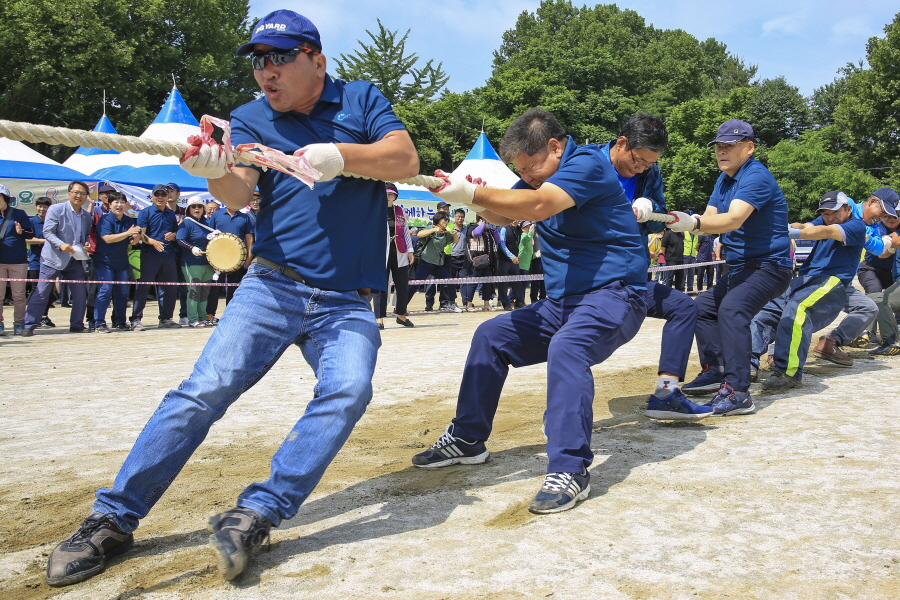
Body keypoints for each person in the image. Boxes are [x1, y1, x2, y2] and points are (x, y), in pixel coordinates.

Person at [46, 9, 419, 586]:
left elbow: (405, 158)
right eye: (257, 61)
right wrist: (209, 169)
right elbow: (237, 190)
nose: (264, 72)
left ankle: (258, 512)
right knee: (201, 393)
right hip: (271, 285)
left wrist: (339, 156)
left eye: (279, 58)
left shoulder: (361, 99)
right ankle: (111, 519)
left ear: (316, 61)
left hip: (346, 299)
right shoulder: (247, 118)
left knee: (349, 390)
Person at [412, 108, 648, 514]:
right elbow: (509, 213)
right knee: (490, 336)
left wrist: (469, 194)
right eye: (521, 170)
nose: (529, 175)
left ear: (555, 147)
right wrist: (460, 196)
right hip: (562, 303)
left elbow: (537, 207)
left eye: (530, 166)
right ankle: (468, 437)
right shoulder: (543, 175)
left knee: (568, 348)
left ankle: (570, 468)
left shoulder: (586, 163)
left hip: (615, 295)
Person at [674, 119, 793, 415]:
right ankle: (716, 370)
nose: (721, 151)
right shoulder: (724, 179)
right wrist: (676, 219)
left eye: (730, 146)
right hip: (743, 268)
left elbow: (733, 219)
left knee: (732, 309)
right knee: (702, 307)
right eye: (718, 146)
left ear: (749, 148)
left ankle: (739, 391)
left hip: (771, 267)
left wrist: (695, 223)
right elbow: (711, 218)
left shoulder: (756, 176)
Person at [596, 114, 710, 420]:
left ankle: (665, 392)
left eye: (650, 162)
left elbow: (657, 209)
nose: (643, 168)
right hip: (589, 278)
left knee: (684, 307)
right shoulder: (586, 163)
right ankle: (559, 410)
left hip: (630, 277)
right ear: (621, 143)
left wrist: (649, 206)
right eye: (639, 160)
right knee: (580, 338)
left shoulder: (650, 170)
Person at [749, 191, 870, 390]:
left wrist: (791, 233)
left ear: (848, 209)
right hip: (804, 279)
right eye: (824, 213)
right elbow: (805, 226)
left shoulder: (856, 226)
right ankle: (748, 363)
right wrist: (783, 227)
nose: (829, 217)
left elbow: (825, 232)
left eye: (834, 211)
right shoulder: (825, 220)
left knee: (797, 310)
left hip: (832, 281)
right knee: (764, 312)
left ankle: (789, 372)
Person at [810, 189, 896, 363]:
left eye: (889, 215)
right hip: (821, 277)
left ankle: (830, 342)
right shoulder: (845, 207)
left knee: (869, 307)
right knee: (803, 316)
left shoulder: (871, 226)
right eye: (883, 213)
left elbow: (880, 250)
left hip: (843, 281)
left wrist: (886, 243)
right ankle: (775, 353)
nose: (884, 218)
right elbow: (816, 228)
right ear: (872, 202)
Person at [21, 181, 94, 336]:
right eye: (76, 192)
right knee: (42, 292)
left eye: (82, 193)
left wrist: (86, 244)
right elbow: (48, 232)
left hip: (75, 259)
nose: (79, 196)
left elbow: (85, 235)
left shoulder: (87, 215)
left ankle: (77, 324)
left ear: (87, 197)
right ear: (69, 194)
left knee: (80, 293)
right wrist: (61, 245)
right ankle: (29, 325)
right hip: (52, 258)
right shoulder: (56, 209)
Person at [129, 184, 181, 331]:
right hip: (150, 254)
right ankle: (136, 319)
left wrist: (173, 235)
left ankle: (166, 318)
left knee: (170, 288)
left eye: (163, 194)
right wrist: (152, 241)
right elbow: (140, 234)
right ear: (152, 196)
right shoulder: (145, 212)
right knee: (144, 287)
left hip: (169, 255)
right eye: (157, 194)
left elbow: (176, 232)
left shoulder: (171, 214)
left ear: (167, 197)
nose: (160, 197)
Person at [93, 192, 141, 332]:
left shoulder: (129, 221)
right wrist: (127, 233)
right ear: (109, 205)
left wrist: (137, 236)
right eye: (116, 202)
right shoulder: (105, 220)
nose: (119, 205)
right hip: (104, 262)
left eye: (122, 202)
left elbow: (131, 242)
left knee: (122, 293)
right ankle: (99, 322)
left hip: (122, 262)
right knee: (105, 291)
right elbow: (107, 238)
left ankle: (119, 321)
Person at [205, 197, 255, 323]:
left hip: (238, 258)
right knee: (214, 287)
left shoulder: (245, 217)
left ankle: (230, 316)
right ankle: (210, 315)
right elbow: (210, 236)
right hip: (218, 257)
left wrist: (248, 259)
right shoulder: (216, 215)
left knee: (233, 288)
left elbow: (249, 239)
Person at [373, 182, 414, 328]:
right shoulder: (375, 210)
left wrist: (410, 250)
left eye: (390, 194)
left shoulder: (400, 211)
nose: (388, 197)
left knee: (402, 285)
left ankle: (401, 315)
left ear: (395, 196)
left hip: (399, 252)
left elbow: (405, 232)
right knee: (380, 286)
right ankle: (379, 318)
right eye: (385, 194)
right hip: (380, 254)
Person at [0, 184, 35, 335]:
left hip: (18, 260)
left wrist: (22, 231)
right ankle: (0, 325)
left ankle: (19, 324)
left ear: (5, 198)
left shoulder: (19, 213)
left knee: (18, 295)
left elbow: (30, 234)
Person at [177, 198, 216, 327]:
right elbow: (180, 239)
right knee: (194, 291)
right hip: (191, 262)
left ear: (203, 209)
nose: (197, 209)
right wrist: (191, 247)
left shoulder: (207, 223)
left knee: (204, 292)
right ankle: (192, 319)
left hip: (207, 263)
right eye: (193, 206)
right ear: (189, 209)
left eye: (200, 206)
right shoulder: (187, 223)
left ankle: (202, 317)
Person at [407, 211, 458, 304]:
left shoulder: (445, 232)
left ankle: (452, 303)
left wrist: (454, 234)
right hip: (426, 263)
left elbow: (455, 241)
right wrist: (434, 230)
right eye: (445, 219)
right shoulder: (431, 228)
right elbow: (419, 234)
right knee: (415, 285)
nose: (447, 221)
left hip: (438, 264)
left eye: (448, 219)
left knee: (450, 281)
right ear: (438, 219)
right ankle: (401, 307)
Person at [25, 196, 57, 327]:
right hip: (36, 261)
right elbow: (27, 239)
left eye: (45, 206)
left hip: (51, 261)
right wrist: (46, 240)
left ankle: (44, 316)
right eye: (40, 206)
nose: (42, 209)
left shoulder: (52, 221)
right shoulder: (31, 221)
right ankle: (30, 316)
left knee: (48, 290)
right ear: (36, 207)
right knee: (36, 289)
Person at [460, 213, 497, 311]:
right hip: (475, 260)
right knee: (473, 283)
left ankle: (486, 305)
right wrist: (484, 223)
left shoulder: (488, 231)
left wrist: (495, 229)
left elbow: (497, 241)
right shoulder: (472, 227)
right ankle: (469, 304)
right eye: (487, 221)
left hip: (487, 261)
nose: (488, 223)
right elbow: (476, 234)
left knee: (487, 284)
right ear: (481, 219)